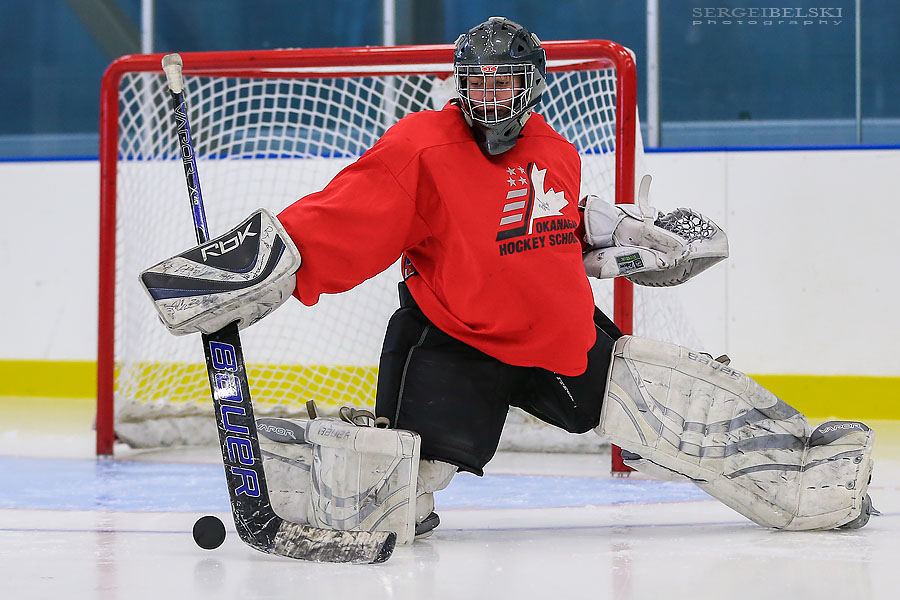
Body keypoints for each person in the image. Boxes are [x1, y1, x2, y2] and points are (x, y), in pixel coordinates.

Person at [141, 17, 876, 539]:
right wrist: (248, 268)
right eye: (477, 81)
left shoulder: (554, 148)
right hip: (453, 342)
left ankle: (815, 484)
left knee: (682, 396)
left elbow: (545, 229)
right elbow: (343, 218)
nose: (489, 95)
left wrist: (622, 237)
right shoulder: (420, 150)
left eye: (505, 82)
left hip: (558, 338)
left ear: (533, 87)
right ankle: (291, 472)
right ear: (461, 84)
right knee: (388, 499)